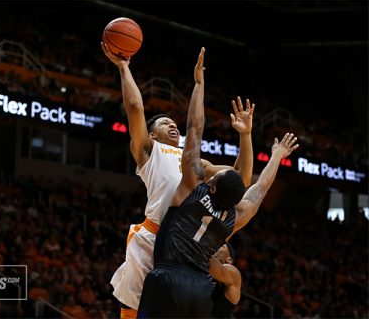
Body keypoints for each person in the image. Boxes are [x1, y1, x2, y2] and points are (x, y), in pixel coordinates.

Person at [136, 47, 299, 318]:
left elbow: (194, 129)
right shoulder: (236, 216)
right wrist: (277, 156)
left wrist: (199, 84)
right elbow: (259, 189)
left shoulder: (190, 191)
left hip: (169, 277)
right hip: (200, 289)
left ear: (211, 186)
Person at [101, 43, 255, 318]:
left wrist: (245, 136)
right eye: (164, 123)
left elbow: (239, 180)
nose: (173, 125)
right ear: (151, 135)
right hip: (153, 236)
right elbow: (135, 107)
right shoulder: (148, 152)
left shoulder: (197, 164)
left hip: (185, 247)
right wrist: (124, 67)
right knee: (132, 312)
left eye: (175, 122)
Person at [209, 243, 241, 318]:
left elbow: (210, 264)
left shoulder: (233, 273)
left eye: (222, 246)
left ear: (229, 259)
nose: (217, 247)